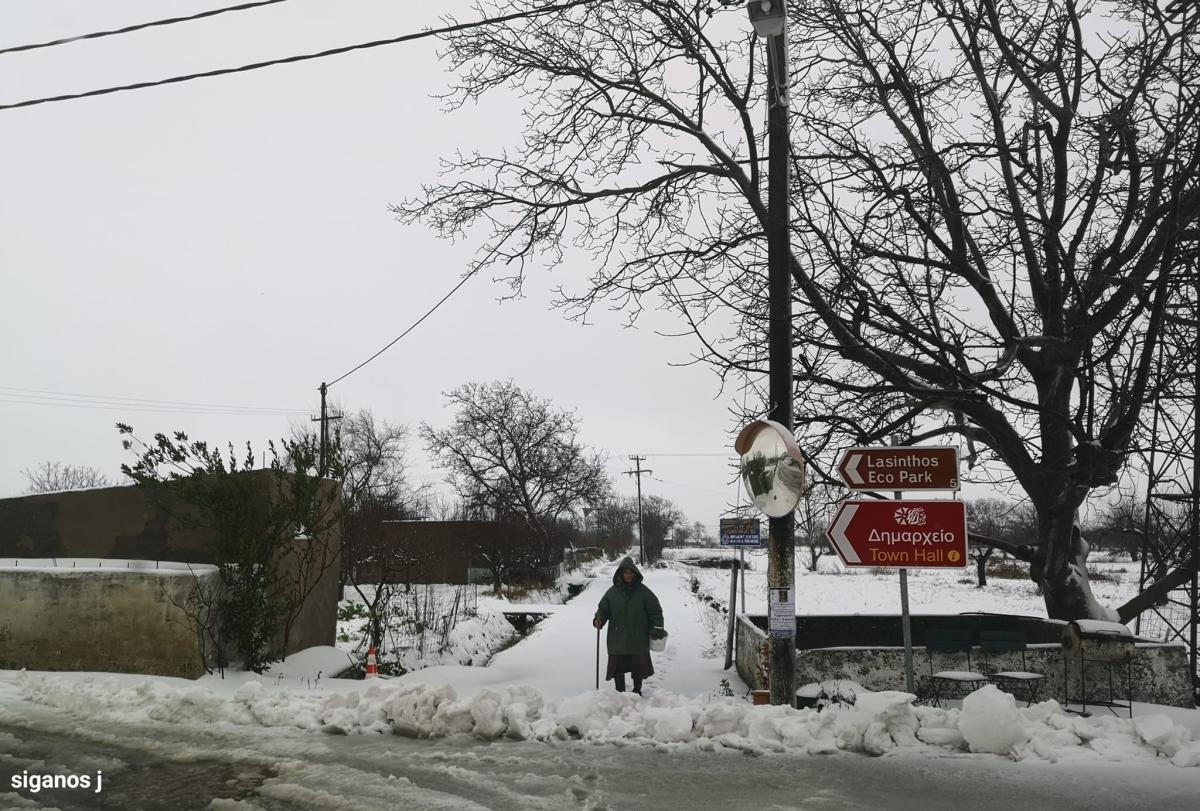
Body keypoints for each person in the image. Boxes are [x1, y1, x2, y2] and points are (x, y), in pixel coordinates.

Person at [592, 556, 665, 695]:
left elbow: (655, 611)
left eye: (631, 572)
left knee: (638, 665)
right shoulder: (612, 593)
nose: (629, 575)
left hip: (638, 635)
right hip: (617, 636)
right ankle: (619, 692)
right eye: (626, 572)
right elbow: (603, 609)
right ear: (620, 574)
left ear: (635, 573)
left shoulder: (644, 592)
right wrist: (599, 619)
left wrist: (656, 628)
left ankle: (637, 691)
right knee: (618, 666)